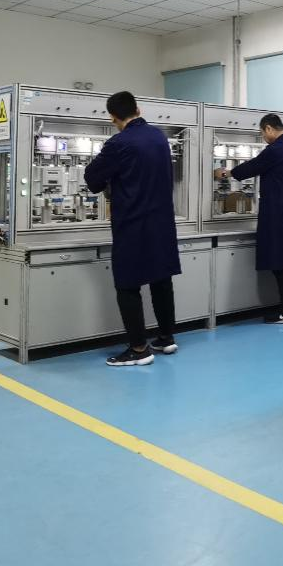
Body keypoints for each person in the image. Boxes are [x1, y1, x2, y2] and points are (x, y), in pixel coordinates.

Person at [84, 91, 182, 367]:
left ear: (113, 117)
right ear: (138, 109)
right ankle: (166, 337)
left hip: (133, 225)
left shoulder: (119, 143)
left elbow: (92, 178)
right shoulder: (159, 137)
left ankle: (139, 349)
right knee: (161, 280)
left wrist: (109, 182)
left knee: (127, 284)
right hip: (162, 223)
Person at [215, 113, 283, 325]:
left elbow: (252, 167)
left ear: (269, 128)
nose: (263, 137)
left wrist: (225, 173)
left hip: (279, 213)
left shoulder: (276, 149)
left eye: (262, 133)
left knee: (281, 262)